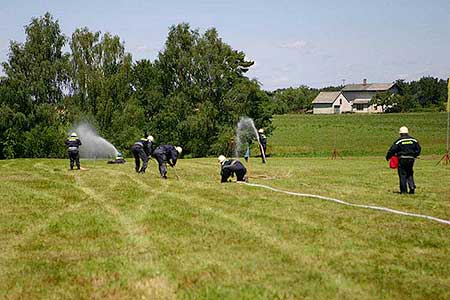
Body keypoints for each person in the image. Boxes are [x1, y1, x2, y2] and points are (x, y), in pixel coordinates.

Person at [386, 126, 421, 194]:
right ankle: (412, 187)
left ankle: (404, 191)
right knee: (410, 173)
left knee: (402, 174)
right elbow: (418, 148)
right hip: (411, 159)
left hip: (402, 159)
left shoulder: (399, 141)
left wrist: (388, 157)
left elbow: (392, 149)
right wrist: (415, 154)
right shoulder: (413, 140)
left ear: (400, 133)